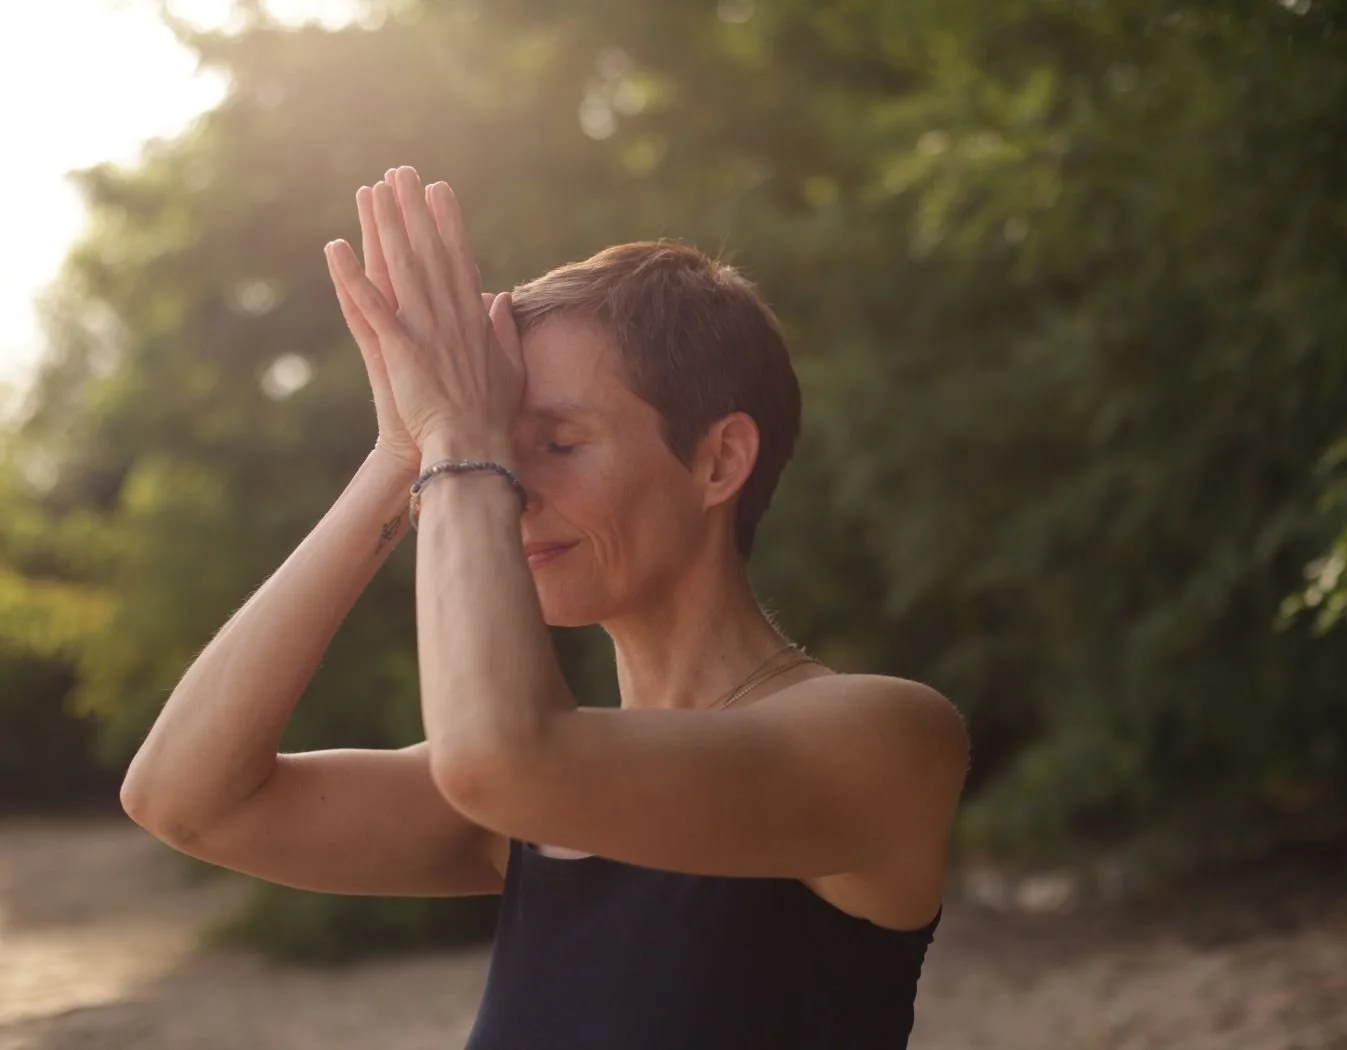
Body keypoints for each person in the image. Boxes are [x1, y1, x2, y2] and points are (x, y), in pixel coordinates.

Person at [119, 165, 970, 1049]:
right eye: (500, 447)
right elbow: (186, 798)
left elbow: (503, 756)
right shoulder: (526, 799)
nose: (511, 488)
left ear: (719, 462)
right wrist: (397, 457)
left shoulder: (885, 738)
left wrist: (463, 440)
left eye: (557, 442)